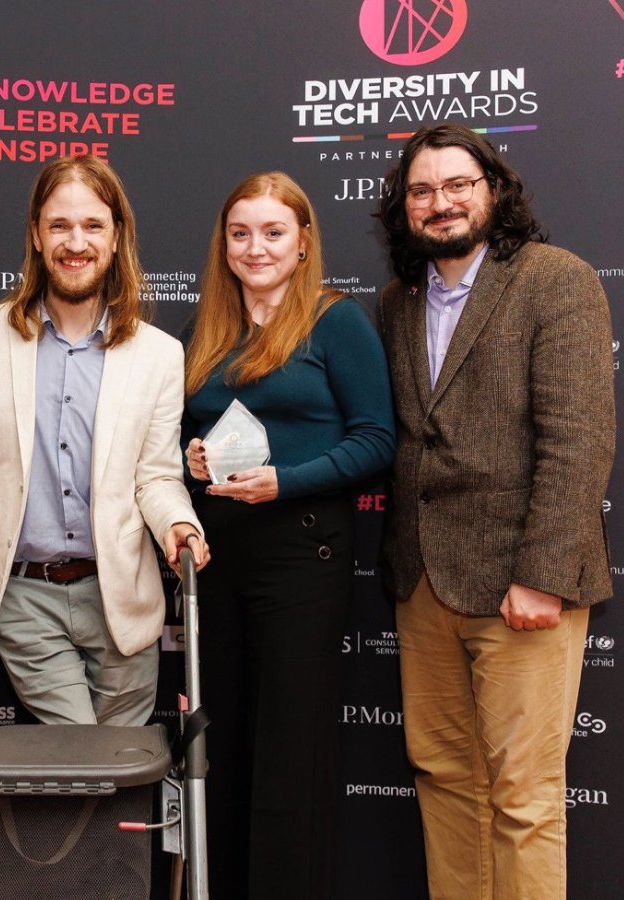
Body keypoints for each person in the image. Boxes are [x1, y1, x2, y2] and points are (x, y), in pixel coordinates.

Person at [374, 123, 615, 899]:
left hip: (522, 585)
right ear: (404, 209)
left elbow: (578, 441)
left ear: (493, 191)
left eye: (457, 185)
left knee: (525, 799)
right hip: (423, 586)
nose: (440, 203)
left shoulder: (555, 279)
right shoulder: (395, 303)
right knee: (445, 779)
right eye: (422, 190)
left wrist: (543, 576)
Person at [0, 154, 207, 727]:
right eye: (59, 225)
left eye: (93, 226)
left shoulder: (160, 354)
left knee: (119, 775)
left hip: (123, 599)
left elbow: (157, 476)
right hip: (25, 599)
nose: (76, 242)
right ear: (37, 236)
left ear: (116, 238)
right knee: (79, 756)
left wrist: (179, 526)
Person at [180, 171, 394, 897]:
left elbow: (376, 442)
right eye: (240, 233)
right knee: (224, 752)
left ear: (303, 243)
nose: (255, 247)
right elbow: (183, 431)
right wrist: (193, 455)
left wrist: (287, 479)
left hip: (305, 554)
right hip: (218, 559)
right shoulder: (207, 327)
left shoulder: (336, 322)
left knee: (289, 760)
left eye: (273, 232)